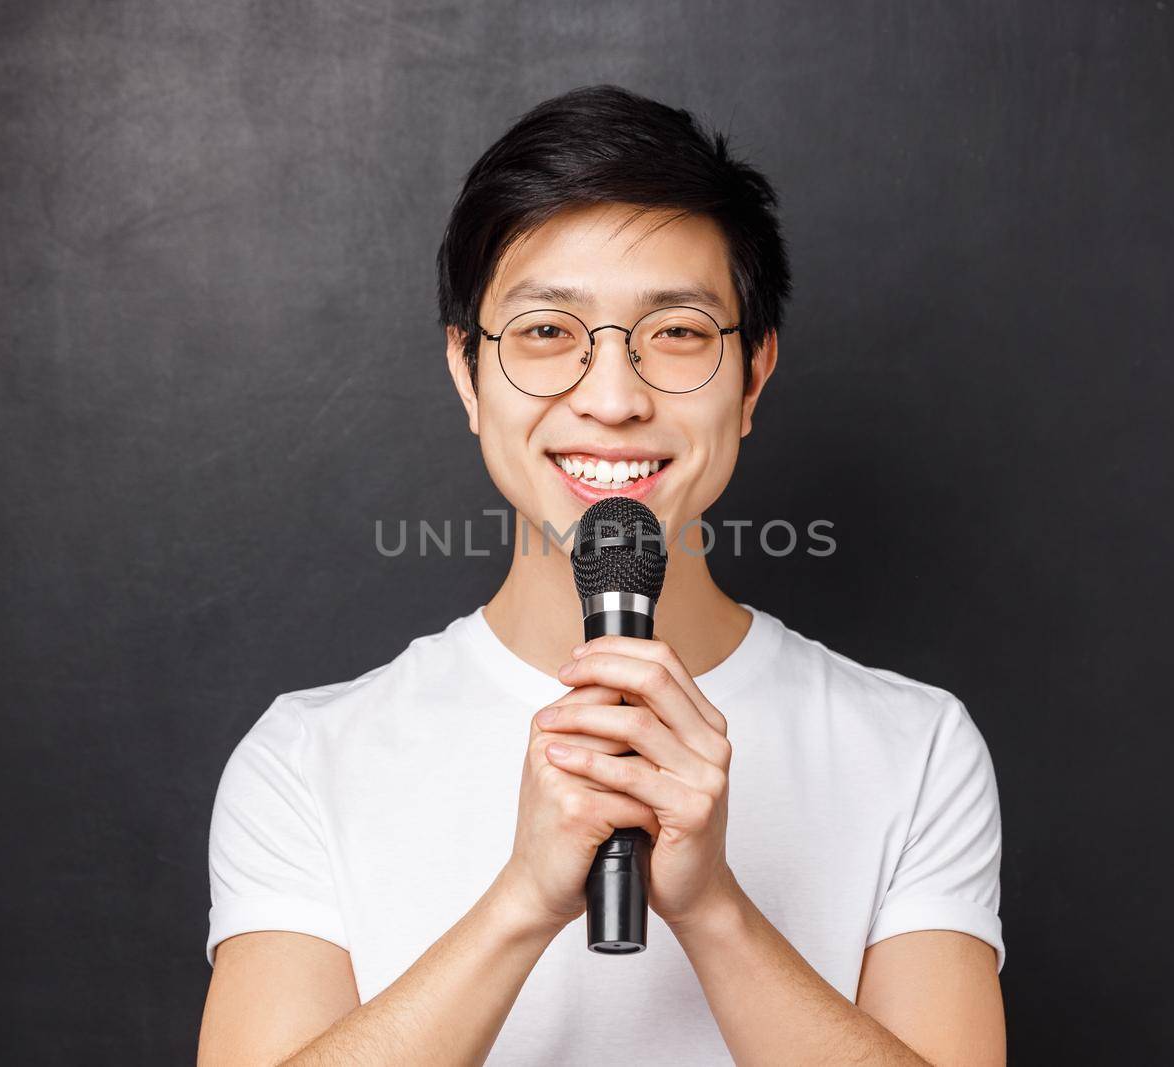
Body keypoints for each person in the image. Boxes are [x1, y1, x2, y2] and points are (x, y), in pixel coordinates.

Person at [197, 85, 1006, 1066]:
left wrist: (711, 906)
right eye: (546, 333)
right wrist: (523, 898)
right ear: (467, 373)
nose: (613, 398)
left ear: (751, 376)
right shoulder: (305, 759)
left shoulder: (912, 746)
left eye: (676, 332)